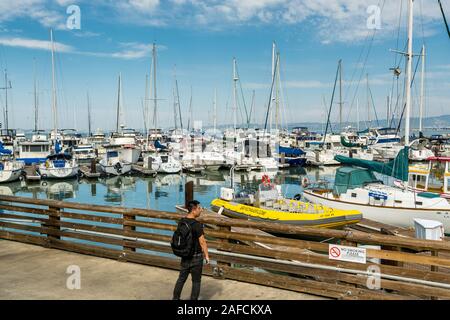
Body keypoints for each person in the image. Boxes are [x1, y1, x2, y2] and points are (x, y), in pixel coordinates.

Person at [172, 200, 210, 300]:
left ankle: (175, 298)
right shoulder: (197, 225)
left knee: (181, 279)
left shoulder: (182, 221)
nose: (201, 210)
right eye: (199, 208)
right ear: (193, 210)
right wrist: (207, 256)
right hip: (196, 257)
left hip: (185, 255)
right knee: (196, 281)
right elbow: (202, 242)